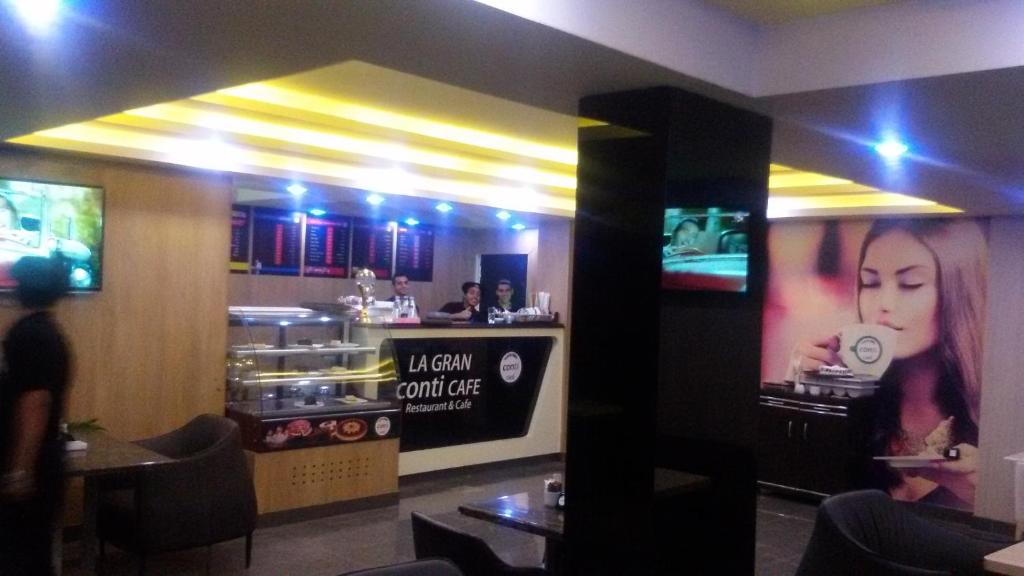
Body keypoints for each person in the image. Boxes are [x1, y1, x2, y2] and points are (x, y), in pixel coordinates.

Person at [793, 219, 987, 510]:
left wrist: (987, 497)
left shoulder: (993, 412)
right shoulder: (856, 396)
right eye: (870, 283)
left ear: (959, 293)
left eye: (910, 284)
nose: (884, 303)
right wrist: (799, 386)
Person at [0, 256, 73, 575]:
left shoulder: (29, 335)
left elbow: (36, 402)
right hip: (46, 458)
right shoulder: (48, 331)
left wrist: (21, 469)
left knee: (21, 557)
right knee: (32, 551)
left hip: (34, 461)